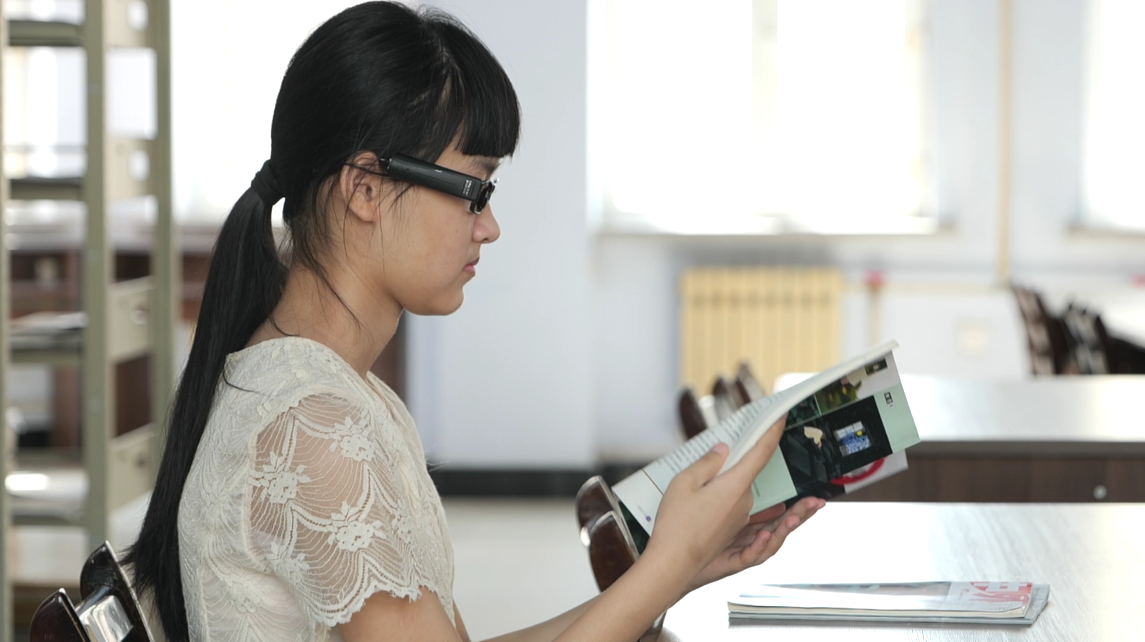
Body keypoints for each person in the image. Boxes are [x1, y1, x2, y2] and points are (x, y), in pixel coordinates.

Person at [125, 3, 823, 641]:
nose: (489, 226)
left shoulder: (339, 394)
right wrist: (669, 562)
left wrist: (675, 569)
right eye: (474, 190)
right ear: (364, 189)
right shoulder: (312, 426)